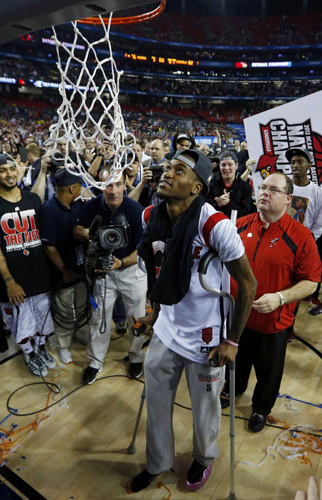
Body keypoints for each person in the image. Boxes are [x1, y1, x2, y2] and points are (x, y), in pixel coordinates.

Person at [130, 149, 257, 492]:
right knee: (155, 401)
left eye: (180, 170)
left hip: (207, 336)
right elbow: (159, 273)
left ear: (197, 188)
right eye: (168, 166)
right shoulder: (149, 216)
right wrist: (152, 313)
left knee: (204, 411)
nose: (168, 172)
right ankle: (157, 462)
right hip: (167, 328)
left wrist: (232, 341)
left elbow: (248, 284)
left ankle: (204, 458)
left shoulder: (214, 224)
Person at [221, 172, 321, 432]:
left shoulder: (301, 237)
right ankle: (233, 390)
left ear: (289, 199)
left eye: (273, 190)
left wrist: (280, 298)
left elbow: (311, 282)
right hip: (236, 319)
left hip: (272, 322)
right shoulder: (238, 225)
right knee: (236, 361)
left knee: (268, 372)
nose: (264, 192)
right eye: (262, 187)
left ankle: (261, 408)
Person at [0, 154, 56, 377]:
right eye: (2, 170)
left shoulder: (32, 200)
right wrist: (10, 282)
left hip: (38, 273)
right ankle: (29, 352)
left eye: (12, 168)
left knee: (41, 316)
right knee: (19, 321)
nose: (9, 174)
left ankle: (40, 347)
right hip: (12, 278)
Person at [73, 172, 148, 384]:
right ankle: (95, 362)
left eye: (117, 185)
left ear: (125, 186)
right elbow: (76, 230)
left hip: (130, 270)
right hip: (103, 272)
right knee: (99, 319)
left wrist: (121, 263)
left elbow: (143, 249)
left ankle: (136, 357)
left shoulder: (135, 210)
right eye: (108, 185)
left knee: (137, 318)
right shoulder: (93, 206)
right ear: (101, 187)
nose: (113, 190)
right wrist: (89, 233)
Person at [40, 168, 85, 364]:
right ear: (72, 189)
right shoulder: (49, 210)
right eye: (80, 187)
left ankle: (79, 333)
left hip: (80, 267)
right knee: (64, 311)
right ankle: (64, 346)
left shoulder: (76, 205)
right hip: (61, 272)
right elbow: (49, 247)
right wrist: (64, 271)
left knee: (81, 305)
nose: (82, 190)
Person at [285, 147, 322, 315]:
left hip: (304, 245)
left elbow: (319, 224)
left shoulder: (317, 192)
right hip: (281, 242)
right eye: (292, 162)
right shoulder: (283, 186)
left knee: (298, 286)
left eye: (300, 162)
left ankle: (290, 324)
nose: (295, 165)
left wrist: (308, 243)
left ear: (309, 165)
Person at [206, 150, 253, 218]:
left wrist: (228, 203)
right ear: (219, 166)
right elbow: (205, 208)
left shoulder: (246, 188)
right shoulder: (211, 185)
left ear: (236, 165)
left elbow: (245, 214)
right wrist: (218, 205)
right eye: (223, 165)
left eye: (230, 164)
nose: (226, 168)